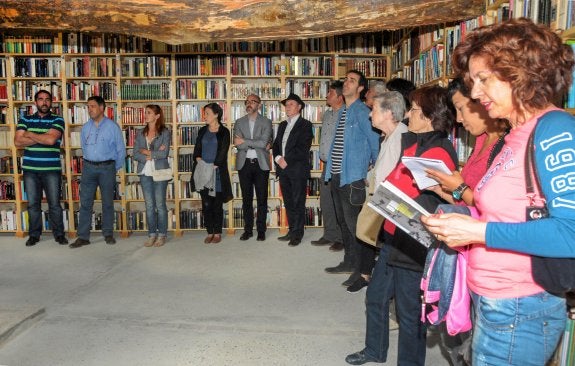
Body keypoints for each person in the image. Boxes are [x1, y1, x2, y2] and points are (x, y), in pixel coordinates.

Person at [421, 18, 575, 365]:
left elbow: (571, 232)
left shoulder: (555, 130)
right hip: (495, 299)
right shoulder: (515, 134)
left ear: (522, 73)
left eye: (484, 80)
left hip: (519, 305)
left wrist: (478, 231)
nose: (475, 94)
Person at [346, 85, 458, 366]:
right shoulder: (412, 142)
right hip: (395, 239)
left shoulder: (438, 152)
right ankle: (374, 350)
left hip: (415, 247)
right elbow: (397, 183)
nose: (409, 114)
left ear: (432, 116)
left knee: (410, 318)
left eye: (416, 111)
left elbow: (435, 203)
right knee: (375, 296)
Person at [323, 70, 380, 293]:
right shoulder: (342, 111)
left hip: (353, 177)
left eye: (352, 81)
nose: (346, 83)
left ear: (360, 89)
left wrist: (373, 172)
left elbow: (375, 143)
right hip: (336, 174)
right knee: (343, 223)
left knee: (356, 226)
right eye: (346, 79)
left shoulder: (362, 112)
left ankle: (361, 268)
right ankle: (348, 261)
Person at [426, 77, 508, 207]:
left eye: (460, 108)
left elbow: (492, 210)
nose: (458, 119)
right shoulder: (480, 138)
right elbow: (464, 202)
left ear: (481, 101)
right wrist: (438, 188)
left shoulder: (508, 145)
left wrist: (460, 188)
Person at [70, 96, 125, 248]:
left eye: (93, 106)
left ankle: (108, 234)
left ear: (102, 107)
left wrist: (113, 168)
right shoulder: (86, 127)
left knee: (107, 202)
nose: (90, 109)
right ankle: (83, 237)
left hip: (107, 168)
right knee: (85, 202)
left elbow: (121, 150)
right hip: (88, 168)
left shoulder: (113, 127)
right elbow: (83, 147)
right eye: (88, 106)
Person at [15, 89, 68, 247]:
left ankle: (59, 235)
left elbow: (51, 140)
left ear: (51, 102)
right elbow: (18, 142)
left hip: (51, 169)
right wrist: (42, 137)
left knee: (54, 204)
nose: (44, 102)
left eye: (47, 99)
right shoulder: (25, 118)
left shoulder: (58, 119)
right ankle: (34, 235)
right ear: (35, 102)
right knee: (33, 204)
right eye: (41, 99)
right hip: (30, 170)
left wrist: (29, 134)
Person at [272, 93, 313, 247]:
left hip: (297, 169)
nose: (287, 107)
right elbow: (276, 145)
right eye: (286, 105)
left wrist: (285, 160)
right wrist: (277, 159)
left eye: (290, 104)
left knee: (298, 201)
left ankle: (298, 233)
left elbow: (303, 148)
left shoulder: (306, 125)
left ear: (299, 107)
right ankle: (291, 230)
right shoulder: (282, 124)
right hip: (283, 169)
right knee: (288, 202)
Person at [191, 103, 233, 244]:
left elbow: (223, 152)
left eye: (207, 113)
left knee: (217, 204)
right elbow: (197, 149)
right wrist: (200, 161)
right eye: (204, 113)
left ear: (216, 114)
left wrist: (214, 165)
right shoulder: (202, 130)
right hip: (202, 170)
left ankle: (218, 232)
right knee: (206, 203)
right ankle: (210, 231)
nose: (205, 116)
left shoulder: (224, 131)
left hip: (217, 171)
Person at [233, 94, 273, 242]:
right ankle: (248, 230)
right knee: (246, 199)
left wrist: (245, 141)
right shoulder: (239, 122)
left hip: (261, 164)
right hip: (244, 165)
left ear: (259, 105)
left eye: (252, 102)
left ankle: (261, 230)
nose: (249, 104)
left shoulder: (267, 122)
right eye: (247, 102)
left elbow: (264, 144)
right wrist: (253, 142)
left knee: (262, 199)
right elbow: (238, 144)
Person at [310, 81, 344, 251]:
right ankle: (330, 234)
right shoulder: (328, 115)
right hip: (325, 165)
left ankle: (341, 238)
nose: (326, 96)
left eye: (330, 93)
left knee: (339, 204)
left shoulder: (346, 115)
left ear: (339, 96)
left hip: (339, 165)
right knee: (326, 202)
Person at [133, 105, 172, 247]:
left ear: (157, 116)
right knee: (149, 205)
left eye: (149, 113)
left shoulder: (165, 133)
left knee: (160, 205)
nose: (146, 115)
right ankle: (151, 234)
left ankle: (162, 235)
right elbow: (135, 153)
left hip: (160, 172)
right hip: (145, 172)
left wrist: (147, 152)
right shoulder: (140, 133)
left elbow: (164, 153)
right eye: (146, 112)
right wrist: (149, 155)